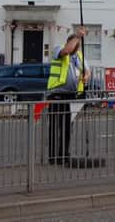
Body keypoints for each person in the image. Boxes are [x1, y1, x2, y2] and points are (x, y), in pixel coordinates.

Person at [47, 27, 90, 165]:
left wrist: (86, 75)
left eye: (78, 46)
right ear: (69, 42)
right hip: (56, 95)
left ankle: (64, 155)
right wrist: (78, 36)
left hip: (70, 96)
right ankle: (53, 157)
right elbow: (67, 50)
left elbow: (87, 69)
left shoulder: (77, 56)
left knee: (66, 127)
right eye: (75, 44)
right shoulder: (58, 49)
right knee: (55, 127)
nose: (76, 48)